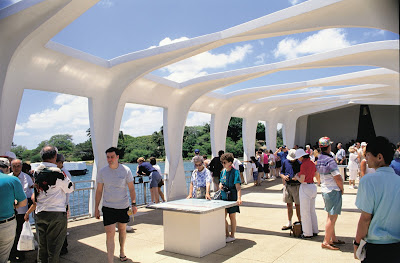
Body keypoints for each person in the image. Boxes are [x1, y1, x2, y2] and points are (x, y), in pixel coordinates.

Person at [354, 136, 400, 263]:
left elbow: (365, 218)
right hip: (396, 246)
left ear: (379, 157)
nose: (366, 158)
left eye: (368, 155)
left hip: (375, 247)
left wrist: (357, 242)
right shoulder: (398, 181)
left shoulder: (368, 181)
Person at [30, 146, 74, 262]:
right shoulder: (58, 172)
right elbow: (70, 188)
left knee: (42, 247)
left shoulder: (36, 171)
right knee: (54, 249)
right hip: (56, 213)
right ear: (55, 157)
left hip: (40, 212)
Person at [95, 147, 137, 263]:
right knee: (110, 233)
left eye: (112, 157)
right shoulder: (102, 172)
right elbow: (99, 191)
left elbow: (132, 189)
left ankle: (122, 252)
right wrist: (96, 208)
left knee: (122, 230)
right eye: (108, 157)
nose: (110, 159)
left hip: (123, 207)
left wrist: (133, 204)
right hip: (108, 207)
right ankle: (110, 261)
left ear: (117, 157)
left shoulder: (126, 170)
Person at [316, 137, 345, 250]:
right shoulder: (330, 160)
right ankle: (326, 241)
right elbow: (337, 176)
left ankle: (333, 238)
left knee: (330, 215)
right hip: (333, 190)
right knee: (332, 218)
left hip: (325, 189)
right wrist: (341, 188)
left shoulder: (320, 159)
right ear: (328, 147)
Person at [0, 157, 27, 263]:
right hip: (6, 223)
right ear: (8, 168)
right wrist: (14, 206)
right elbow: (23, 202)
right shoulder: (12, 180)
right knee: (3, 255)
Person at [9, 159, 34, 262]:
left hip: (22, 211)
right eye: (14, 166)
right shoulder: (8, 177)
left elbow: (32, 189)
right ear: (10, 167)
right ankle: (12, 253)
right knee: (11, 234)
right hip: (10, 211)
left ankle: (21, 253)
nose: (16, 168)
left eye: (18, 166)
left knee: (20, 232)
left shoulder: (26, 177)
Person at [293, 149, 319, 238]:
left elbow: (302, 179)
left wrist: (297, 177)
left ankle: (307, 233)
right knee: (312, 211)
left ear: (301, 157)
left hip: (305, 186)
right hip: (312, 186)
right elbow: (316, 174)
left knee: (305, 212)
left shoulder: (303, 165)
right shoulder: (311, 163)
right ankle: (314, 230)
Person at [219, 153, 242, 243]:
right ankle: (226, 234)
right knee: (222, 216)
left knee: (232, 216)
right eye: (222, 162)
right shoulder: (223, 171)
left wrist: (239, 198)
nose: (223, 164)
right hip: (224, 196)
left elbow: (238, 186)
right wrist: (221, 185)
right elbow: (221, 181)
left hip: (232, 196)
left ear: (230, 162)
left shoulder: (235, 172)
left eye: (224, 162)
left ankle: (232, 235)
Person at [280, 149, 301, 231]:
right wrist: (284, 177)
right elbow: (281, 173)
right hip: (288, 185)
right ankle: (289, 221)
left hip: (297, 186)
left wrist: (297, 177)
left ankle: (300, 221)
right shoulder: (285, 162)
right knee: (289, 205)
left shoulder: (299, 163)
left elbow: (301, 173)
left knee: (298, 205)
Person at [55, 153, 71, 255]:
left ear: (60, 163)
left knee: (62, 228)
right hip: (60, 204)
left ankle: (63, 247)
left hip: (63, 204)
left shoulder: (64, 173)